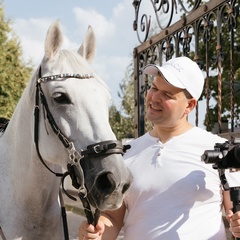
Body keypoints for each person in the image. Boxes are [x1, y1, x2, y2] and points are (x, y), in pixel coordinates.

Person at [78, 56, 240, 239]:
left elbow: (236, 211)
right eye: (154, 88)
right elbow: (112, 219)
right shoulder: (127, 152)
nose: (154, 97)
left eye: (167, 95)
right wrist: (98, 231)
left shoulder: (220, 150)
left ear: (190, 105)